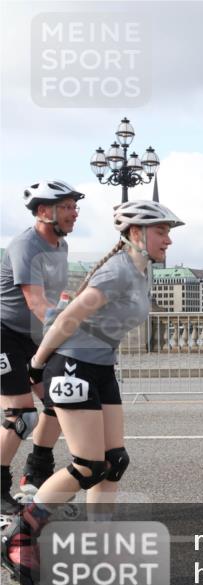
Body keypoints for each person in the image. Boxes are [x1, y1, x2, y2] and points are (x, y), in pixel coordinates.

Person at [1, 200, 184, 585]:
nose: (168, 240)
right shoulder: (116, 271)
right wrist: (36, 364)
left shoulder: (143, 269)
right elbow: (68, 319)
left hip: (101, 367)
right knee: (87, 466)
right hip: (72, 364)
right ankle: (21, 534)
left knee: (113, 463)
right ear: (136, 233)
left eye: (169, 232)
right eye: (161, 231)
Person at [1, 181, 84, 526]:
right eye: (66, 207)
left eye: (74, 207)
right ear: (42, 211)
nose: (74, 213)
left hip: (34, 335)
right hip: (4, 333)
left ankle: (36, 474)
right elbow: (37, 303)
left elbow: (54, 297)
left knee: (58, 401)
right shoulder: (26, 246)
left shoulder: (60, 245)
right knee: (21, 414)